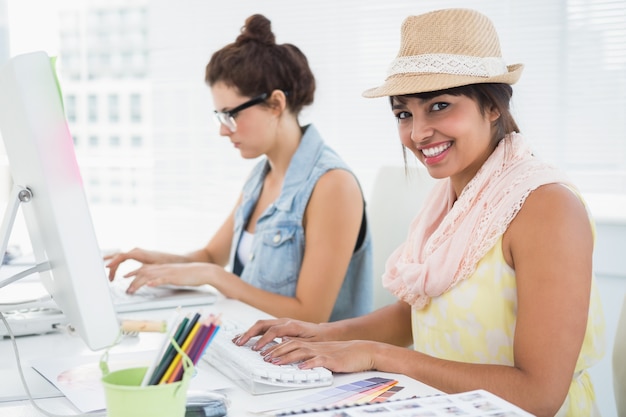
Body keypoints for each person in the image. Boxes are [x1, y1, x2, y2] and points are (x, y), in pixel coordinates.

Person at [234, 9, 605, 417]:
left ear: (495, 105)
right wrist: (322, 335)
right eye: (404, 113)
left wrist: (376, 355)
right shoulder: (454, 197)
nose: (417, 132)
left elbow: (538, 395)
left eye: (440, 105)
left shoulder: (546, 206)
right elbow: (426, 316)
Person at [105, 14, 373, 323]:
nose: (223, 130)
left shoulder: (332, 185)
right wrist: (161, 262)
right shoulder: (262, 176)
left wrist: (213, 276)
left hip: (316, 366)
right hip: (261, 349)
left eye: (231, 114)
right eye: (220, 116)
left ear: (275, 104)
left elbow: (310, 315)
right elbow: (211, 257)